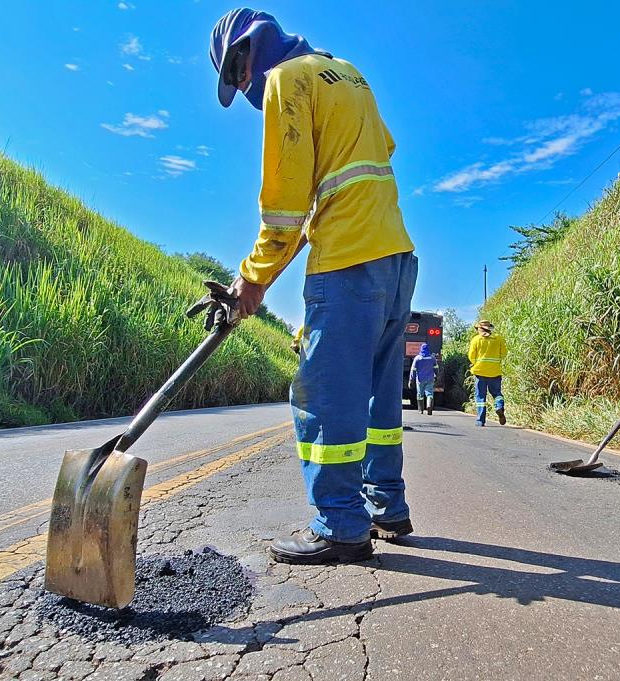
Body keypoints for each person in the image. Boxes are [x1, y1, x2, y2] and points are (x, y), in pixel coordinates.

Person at [210, 9, 417, 564]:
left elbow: (283, 205)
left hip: (348, 259)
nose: (244, 89)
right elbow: (364, 167)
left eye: (236, 77)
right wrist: (253, 283)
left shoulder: (287, 78)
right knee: (376, 394)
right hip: (396, 257)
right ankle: (386, 507)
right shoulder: (346, 73)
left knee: (325, 395)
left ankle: (341, 526)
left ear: (244, 53)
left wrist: (251, 279)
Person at [467, 320, 507, 426]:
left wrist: (475, 363)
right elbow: (504, 354)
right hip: (495, 372)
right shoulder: (498, 339)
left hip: (480, 372)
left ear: (479, 329)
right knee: (497, 393)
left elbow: (471, 355)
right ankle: (499, 406)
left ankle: (481, 421)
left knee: (480, 397)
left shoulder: (476, 340)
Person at [409, 343, 438, 415]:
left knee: (420, 394)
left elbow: (413, 370)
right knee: (429, 393)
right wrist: (436, 376)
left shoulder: (417, 358)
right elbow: (436, 368)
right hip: (430, 378)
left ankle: (420, 410)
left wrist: (411, 380)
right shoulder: (432, 358)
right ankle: (429, 406)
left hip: (420, 379)